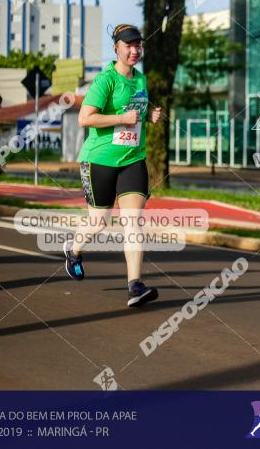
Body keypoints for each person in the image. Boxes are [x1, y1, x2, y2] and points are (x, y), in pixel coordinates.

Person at [63, 24, 162, 308]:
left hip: (133, 159)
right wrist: (122, 119)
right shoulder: (104, 80)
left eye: (138, 45)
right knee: (99, 221)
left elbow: (135, 110)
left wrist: (149, 115)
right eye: (128, 45)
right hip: (99, 160)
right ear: (116, 48)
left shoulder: (140, 79)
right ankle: (73, 249)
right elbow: (85, 118)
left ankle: (135, 286)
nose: (134, 51)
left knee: (133, 222)